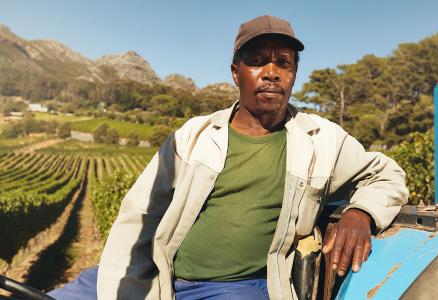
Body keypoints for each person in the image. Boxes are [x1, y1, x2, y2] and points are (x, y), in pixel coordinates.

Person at [50, 15, 408, 300]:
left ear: (294, 75)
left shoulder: (320, 139)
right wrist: (126, 282)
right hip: (155, 272)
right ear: (236, 72)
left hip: (232, 288)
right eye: (258, 62)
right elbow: (139, 215)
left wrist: (360, 214)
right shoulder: (193, 137)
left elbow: (387, 175)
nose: (272, 72)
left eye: (283, 63)